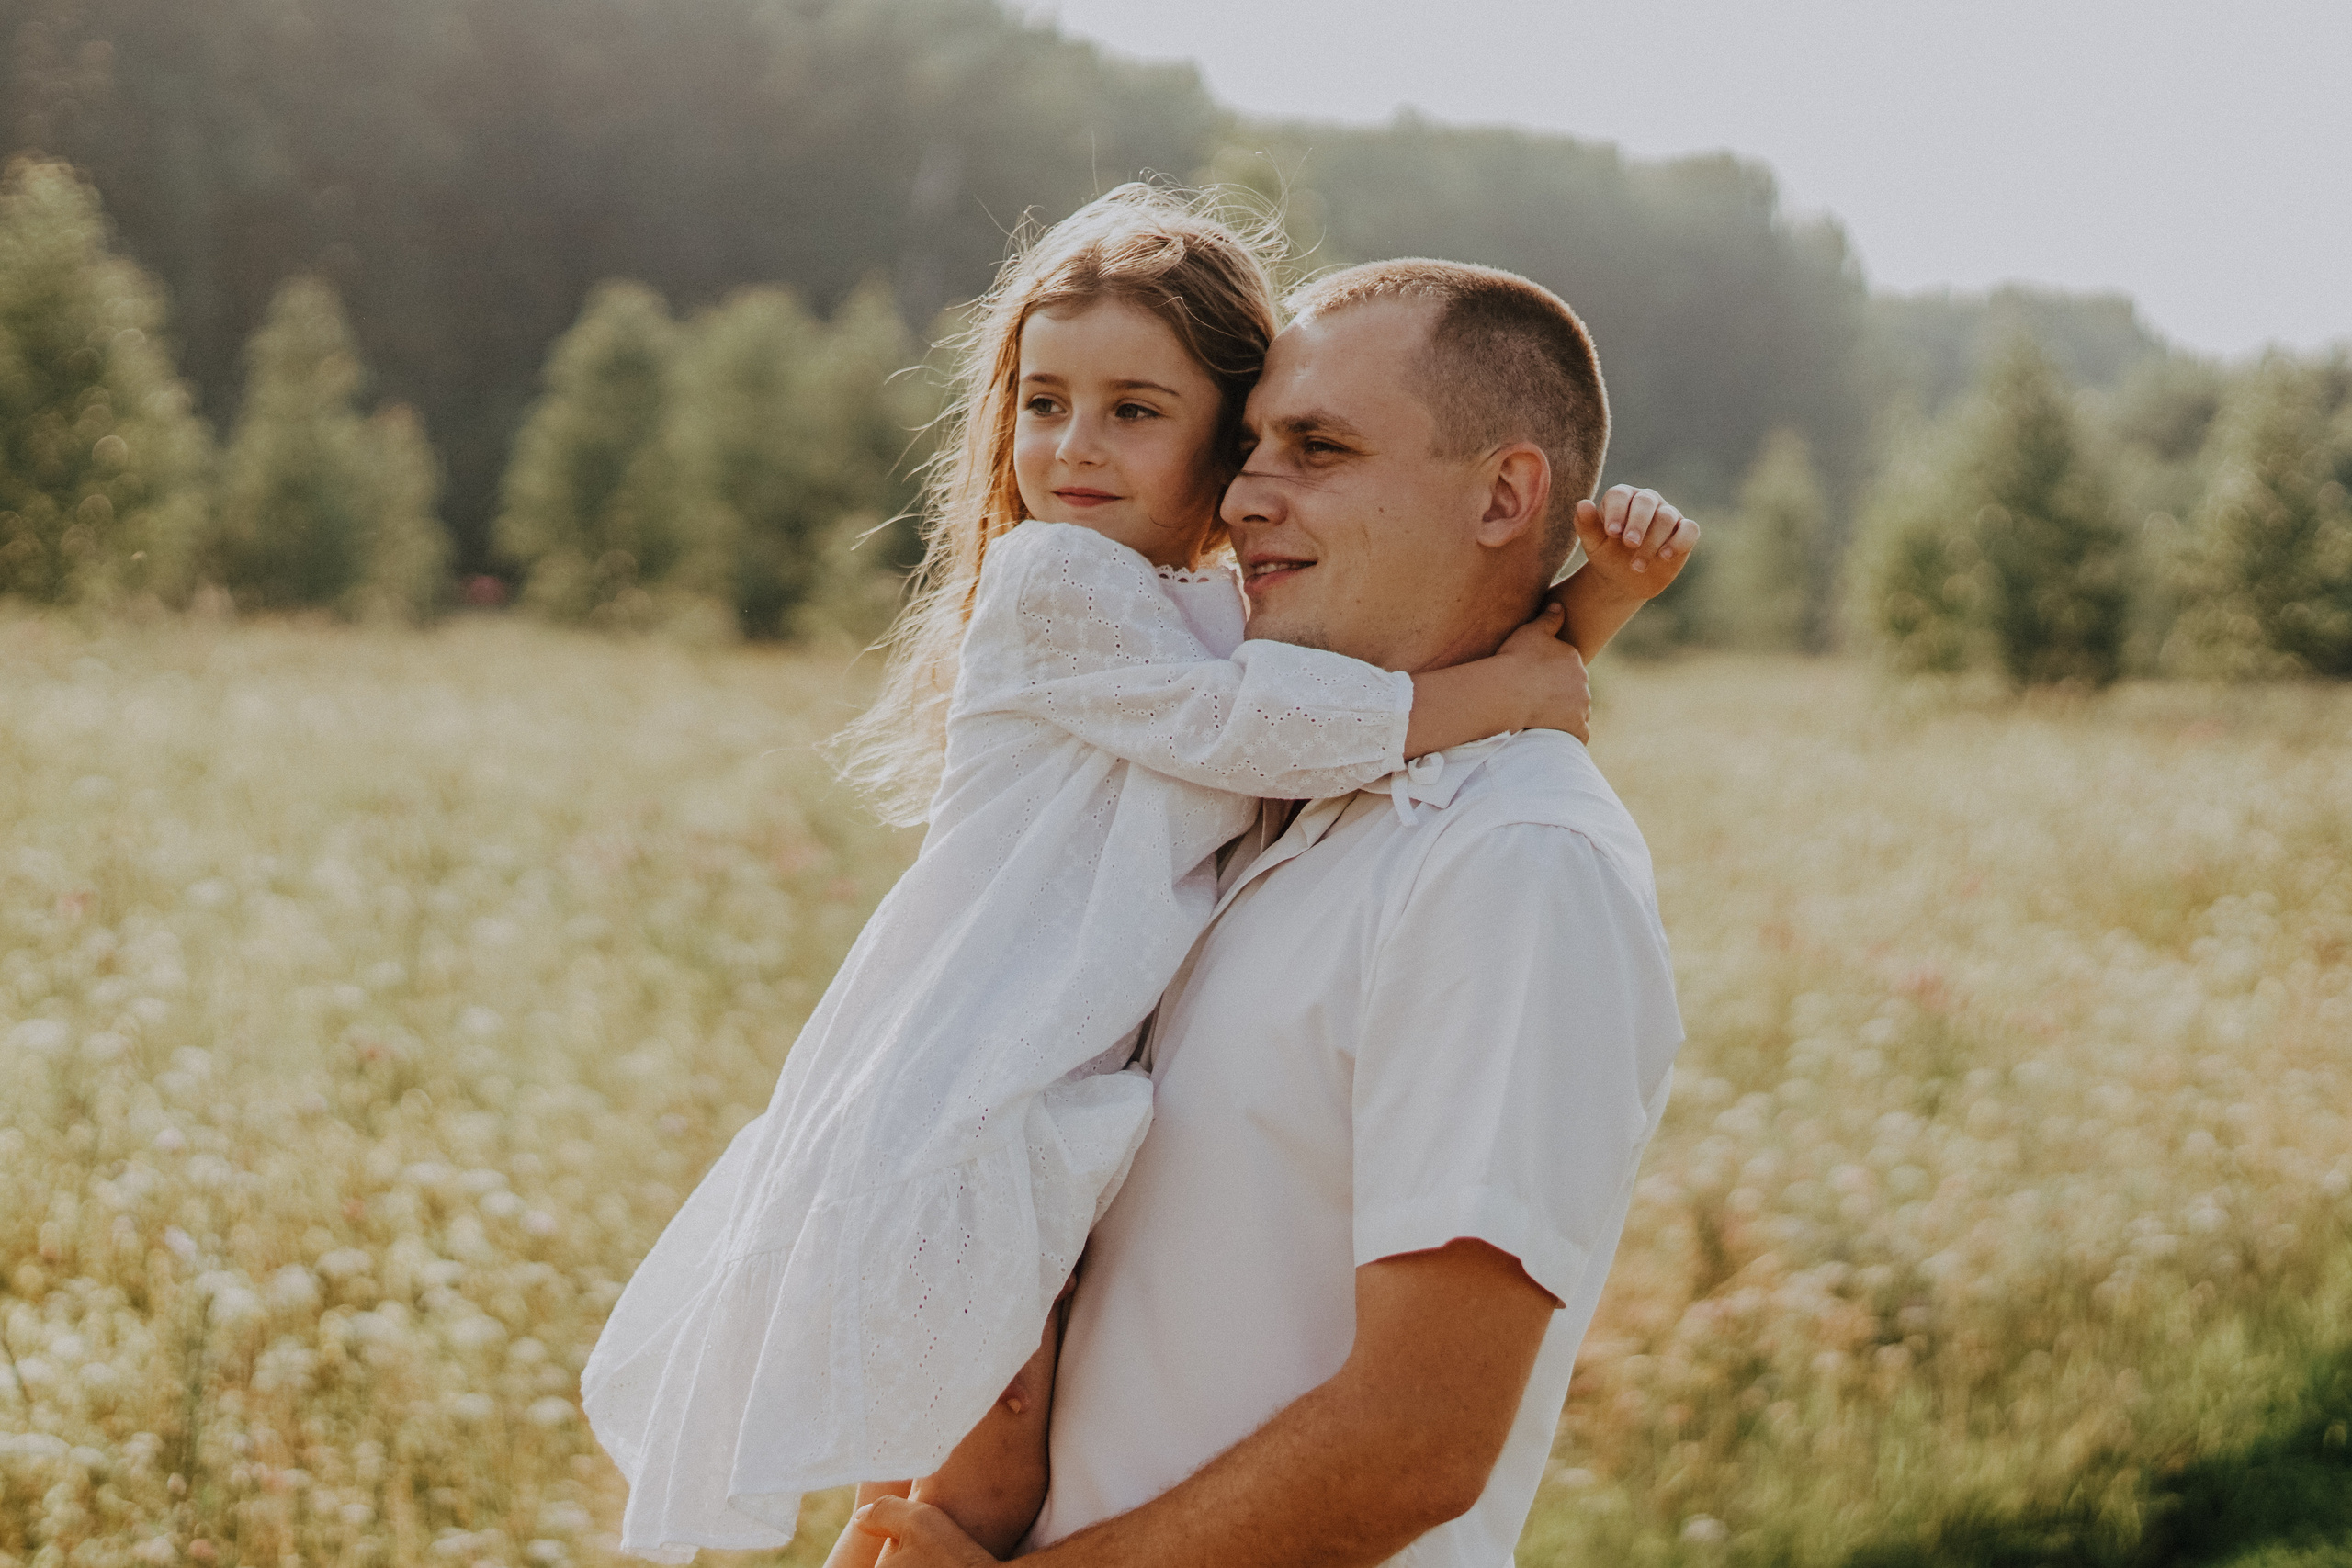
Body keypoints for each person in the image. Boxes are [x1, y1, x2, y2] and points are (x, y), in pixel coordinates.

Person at [578, 189, 1690, 1564]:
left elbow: (1416, 1440)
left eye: (1315, 447)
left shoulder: (1509, 866)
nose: (1243, 495)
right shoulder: (1296, 806)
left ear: (1508, 497)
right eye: (1252, 445)